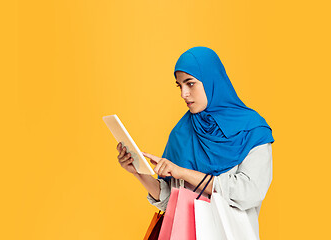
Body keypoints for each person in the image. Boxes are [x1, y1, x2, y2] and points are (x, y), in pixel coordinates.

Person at [116, 46, 274, 239]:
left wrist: (183, 173)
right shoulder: (181, 133)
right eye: (179, 85)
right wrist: (138, 173)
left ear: (211, 81)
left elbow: (249, 193)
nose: (183, 94)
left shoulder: (252, 129)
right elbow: (171, 202)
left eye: (190, 84)